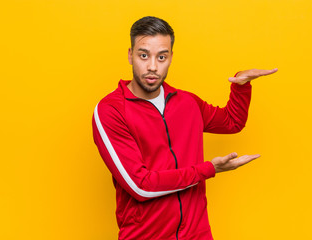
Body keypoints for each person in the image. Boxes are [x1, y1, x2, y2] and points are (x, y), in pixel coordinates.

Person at [92, 16, 278, 240]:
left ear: (170, 58)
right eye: (144, 55)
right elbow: (140, 186)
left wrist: (241, 85)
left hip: (196, 234)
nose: (152, 66)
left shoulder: (187, 103)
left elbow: (231, 122)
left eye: (161, 57)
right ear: (131, 56)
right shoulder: (111, 110)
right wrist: (208, 169)